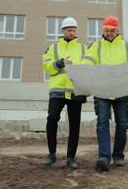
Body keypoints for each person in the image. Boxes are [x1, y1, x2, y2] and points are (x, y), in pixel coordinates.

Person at [82, 15, 128, 171]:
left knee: (122, 124)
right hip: (102, 90)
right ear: (103, 29)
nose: (109, 33)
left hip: (122, 91)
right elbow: (87, 63)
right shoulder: (96, 46)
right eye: (106, 30)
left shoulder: (127, 46)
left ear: (117, 29)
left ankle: (118, 156)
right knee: (102, 122)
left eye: (112, 30)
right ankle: (104, 157)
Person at [42, 17, 87, 169]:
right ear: (62, 31)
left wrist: (87, 87)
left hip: (76, 92)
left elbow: (88, 68)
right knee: (52, 118)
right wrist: (61, 62)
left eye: (73, 30)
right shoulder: (53, 48)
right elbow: (47, 67)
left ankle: (71, 157)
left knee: (74, 125)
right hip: (58, 91)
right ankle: (51, 154)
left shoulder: (83, 49)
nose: (71, 33)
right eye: (69, 30)